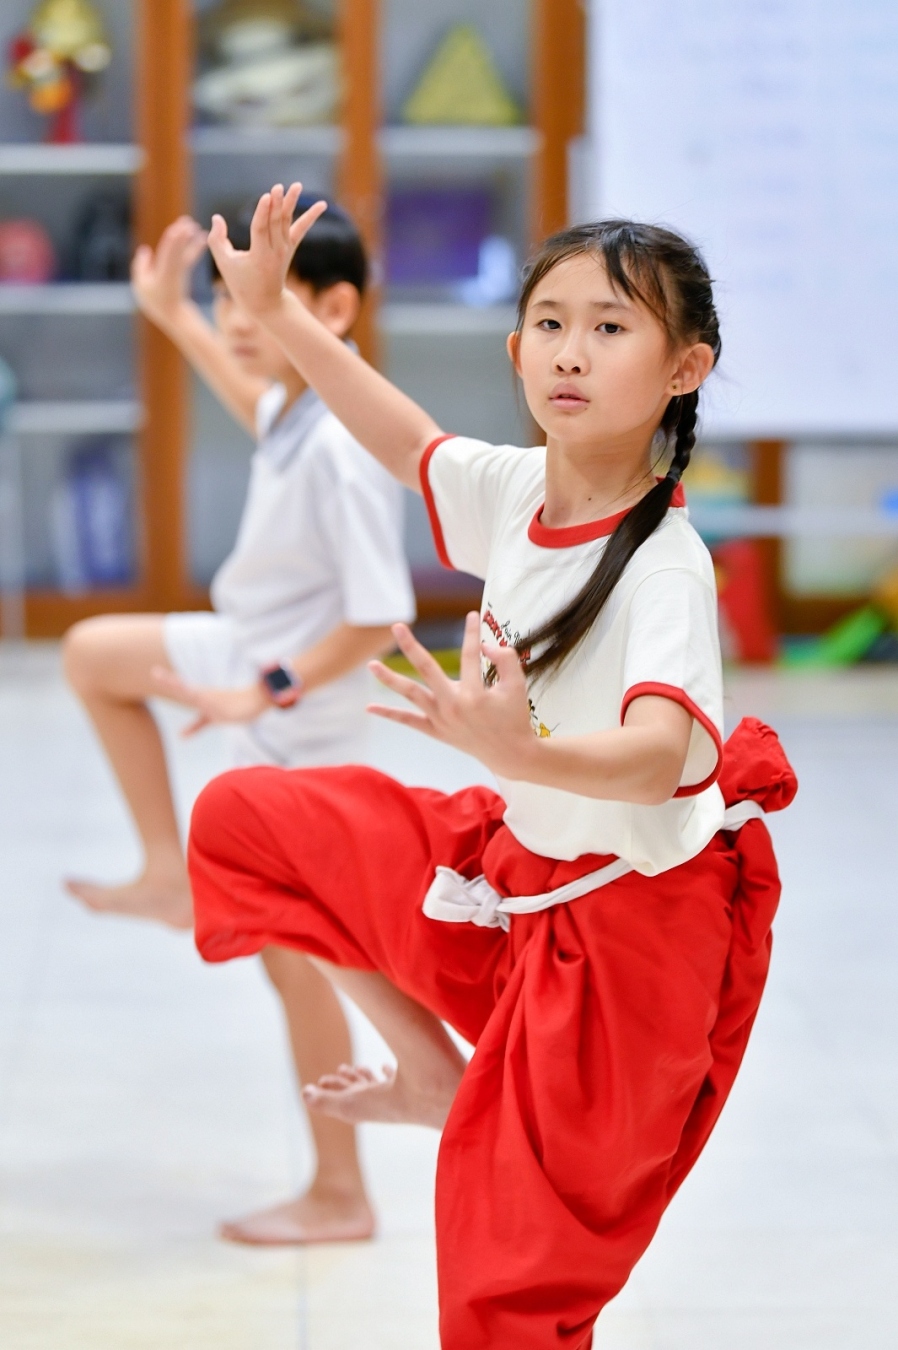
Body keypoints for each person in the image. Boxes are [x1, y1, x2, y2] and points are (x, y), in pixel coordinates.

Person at [187, 184, 798, 1349]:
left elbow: (658, 757)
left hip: (625, 956)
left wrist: (520, 750)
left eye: (610, 327)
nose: (570, 351)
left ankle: (476, 1116)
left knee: (504, 1296)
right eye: (550, 324)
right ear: (516, 351)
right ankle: (431, 1073)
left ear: (685, 369)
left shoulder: (667, 564)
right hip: (506, 885)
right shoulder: (517, 492)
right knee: (247, 817)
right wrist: (277, 310)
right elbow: (398, 435)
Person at [62, 197, 416, 1247]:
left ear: (334, 309)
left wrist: (264, 690)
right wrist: (173, 312)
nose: (237, 320)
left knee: (297, 964)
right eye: (228, 299)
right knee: (96, 655)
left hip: (294, 704)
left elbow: (380, 618)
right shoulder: (298, 409)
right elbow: (243, 392)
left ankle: (341, 1193)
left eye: (257, 300)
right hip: (249, 644)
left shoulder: (343, 446)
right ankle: (165, 872)